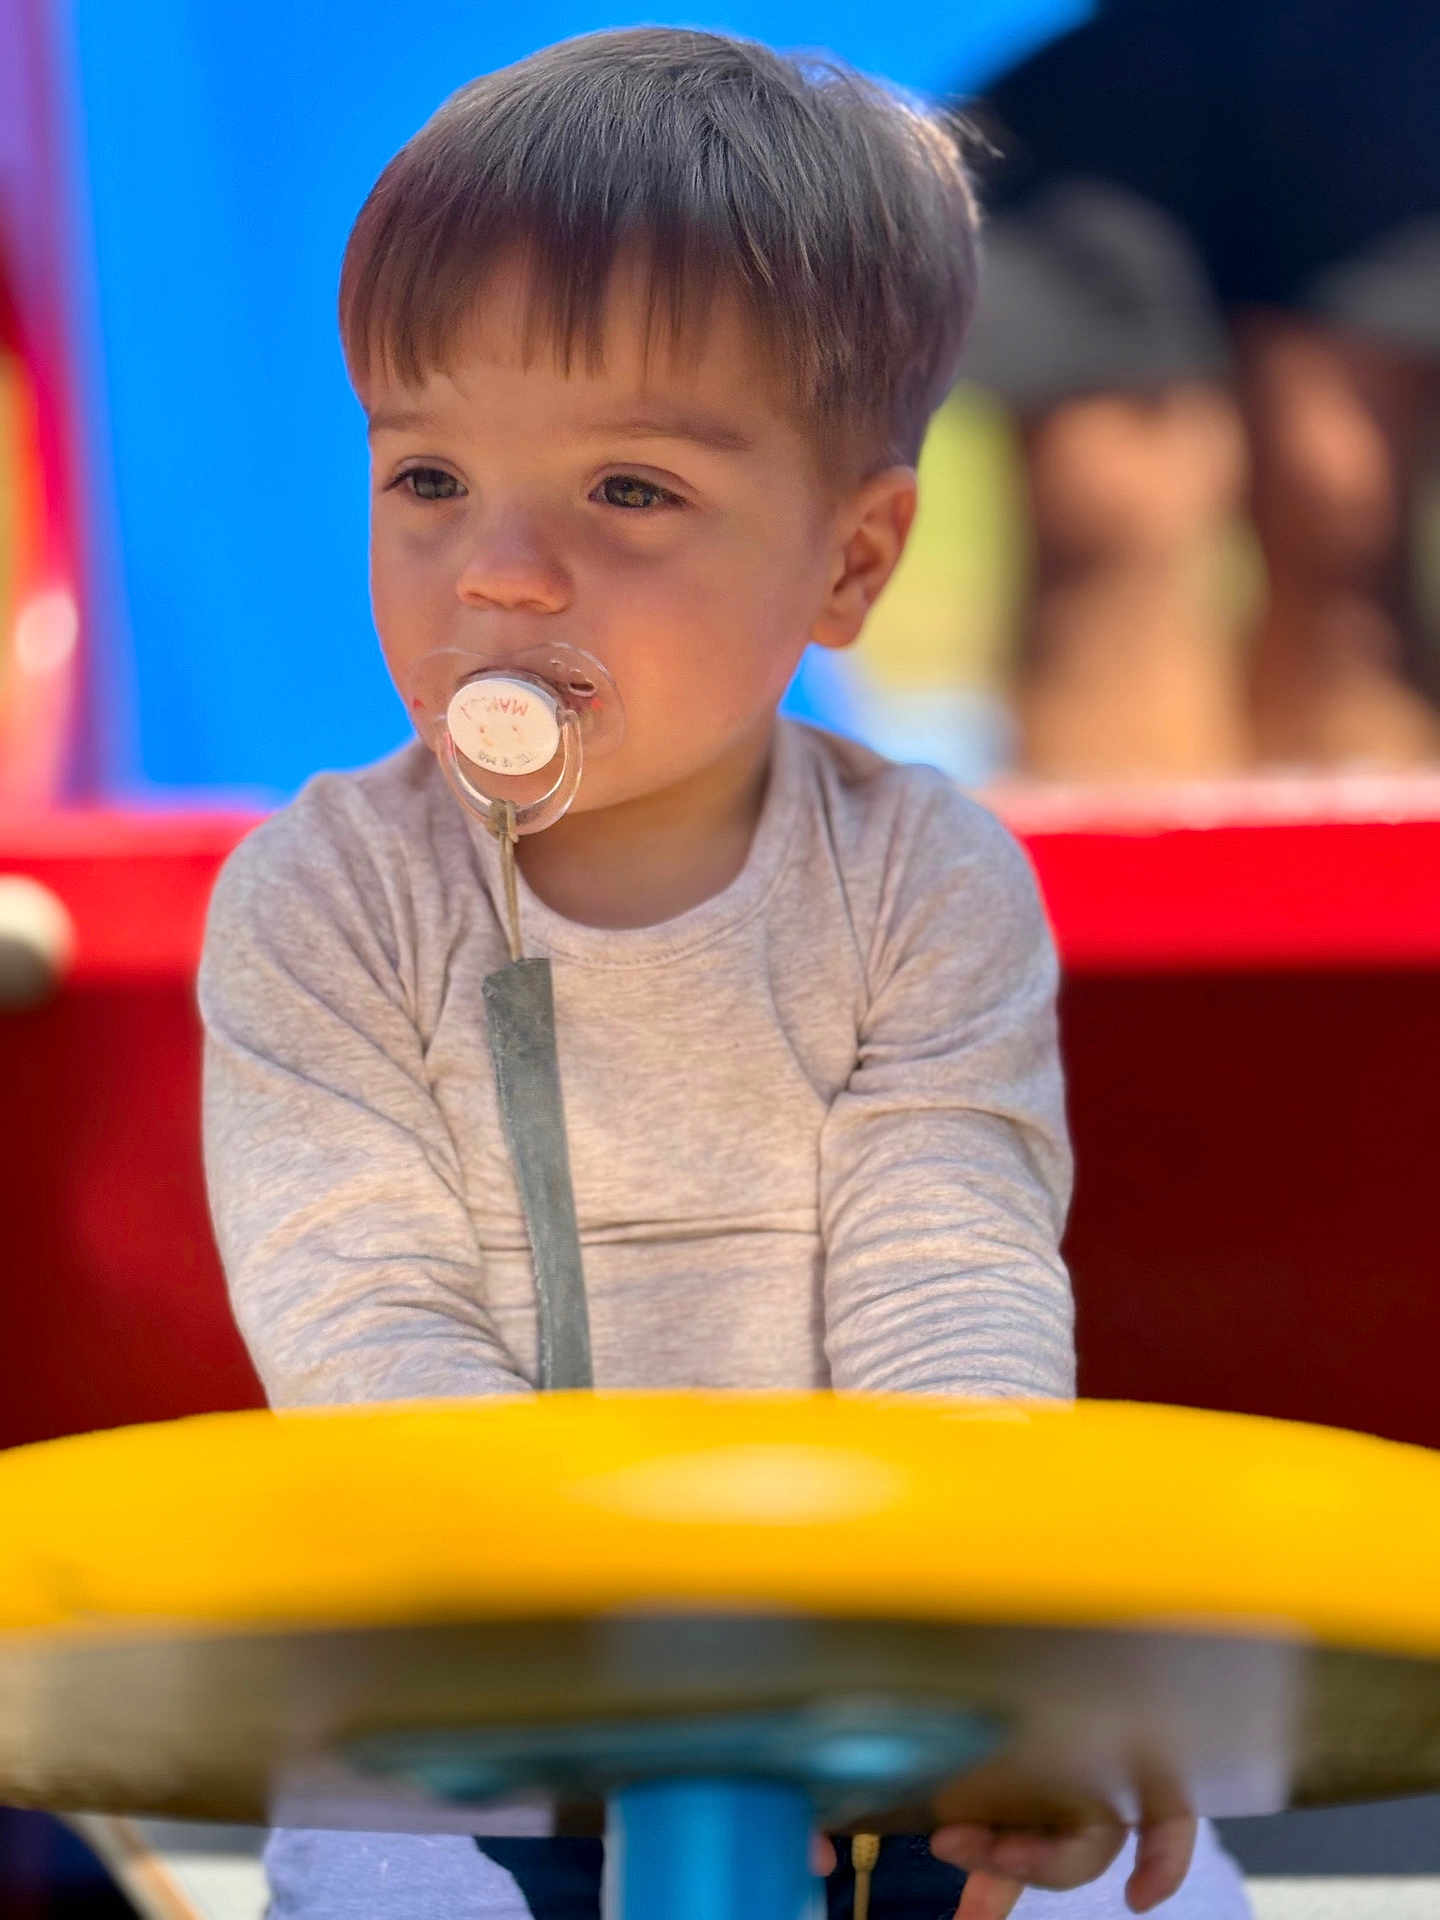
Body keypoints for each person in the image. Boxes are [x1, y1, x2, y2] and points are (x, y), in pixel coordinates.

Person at [197, 28, 1252, 1920]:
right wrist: (602, 1668)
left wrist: (998, 1661)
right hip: (463, 1693)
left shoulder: (921, 882)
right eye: (427, 473)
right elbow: (365, 1325)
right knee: (381, 1883)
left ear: (851, 564)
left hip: (871, 1687)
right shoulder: (322, 901)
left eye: (627, 491)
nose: (498, 573)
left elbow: (951, 1281)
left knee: (1145, 1877)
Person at [960, 0, 1440, 778]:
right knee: (1106, 501)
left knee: (1345, 495)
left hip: (1386, 44)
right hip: (1075, 53)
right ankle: (1118, 859)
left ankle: (1364, 856)